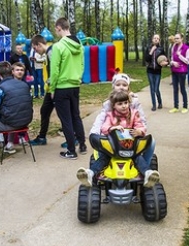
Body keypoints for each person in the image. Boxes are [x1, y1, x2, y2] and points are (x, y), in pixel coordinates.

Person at [76, 90, 160, 188]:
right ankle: (90, 174)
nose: (124, 106)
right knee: (104, 158)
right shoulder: (110, 115)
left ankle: (148, 173)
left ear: (129, 103)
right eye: (120, 104)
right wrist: (112, 128)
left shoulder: (134, 114)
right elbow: (104, 127)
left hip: (130, 147)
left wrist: (139, 131)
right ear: (114, 105)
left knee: (137, 158)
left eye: (126, 103)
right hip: (114, 147)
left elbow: (141, 126)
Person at [50, 17, 87, 159]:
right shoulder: (80, 45)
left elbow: (54, 71)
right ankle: (82, 144)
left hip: (61, 87)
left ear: (59, 28)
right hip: (75, 85)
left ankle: (71, 150)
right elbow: (82, 66)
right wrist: (77, 78)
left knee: (66, 119)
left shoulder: (58, 46)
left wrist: (52, 88)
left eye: (55, 29)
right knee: (76, 115)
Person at [145, 34, 168, 111]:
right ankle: (154, 105)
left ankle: (160, 102)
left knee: (156, 89)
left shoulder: (161, 49)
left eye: (157, 38)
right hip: (150, 71)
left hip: (158, 71)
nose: (156, 39)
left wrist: (165, 63)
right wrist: (151, 51)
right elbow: (147, 59)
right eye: (154, 38)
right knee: (152, 88)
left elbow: (165, 59)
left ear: (159, 40)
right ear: (152, 39)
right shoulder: (148, 48)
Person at [169, 33, 189, 114]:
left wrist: (180, 55)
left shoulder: (186, 48)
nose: (176, 40)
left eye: (177, 38)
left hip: (182, 71)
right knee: (175, 89)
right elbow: (171, 58)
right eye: (175, 38)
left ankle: (185, 106)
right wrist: (173, 62)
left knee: (182, 89)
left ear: (182, 39)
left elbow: (187, 61)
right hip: (174, 71)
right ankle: (175, 106)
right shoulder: (173, 47)